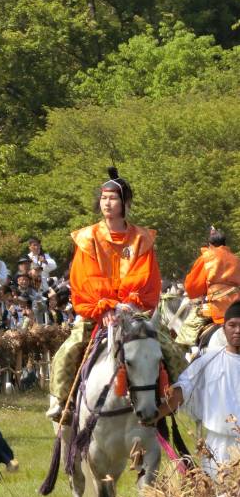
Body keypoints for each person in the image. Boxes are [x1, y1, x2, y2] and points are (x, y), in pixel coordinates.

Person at [46, 167, 185, 421]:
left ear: (125, 203)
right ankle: (62, 401)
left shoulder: (142, 239)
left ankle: (172, 399)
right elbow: (84, 277)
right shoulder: (87, 238)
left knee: (171, 350)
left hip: (133, 311)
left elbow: (145, 276)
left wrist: (128, 304)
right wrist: (105, 306)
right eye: (104, 198)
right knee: (68, 350)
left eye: (113, 198)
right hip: (98, 311)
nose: (107, 203)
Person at [157, 301, 240, 478]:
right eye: (232, 325)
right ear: (223, 329)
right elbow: (182, 391)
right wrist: (155, 415)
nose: (237, 330)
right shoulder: (208, 360)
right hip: (218, 449)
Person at [184, 226, 240, 327]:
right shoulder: (236, 259)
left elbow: (193, 285)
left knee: (188, 328)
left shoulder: (206, 257)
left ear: (210, 245)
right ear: (224, 243)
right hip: (237, 305)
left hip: (216, 307)